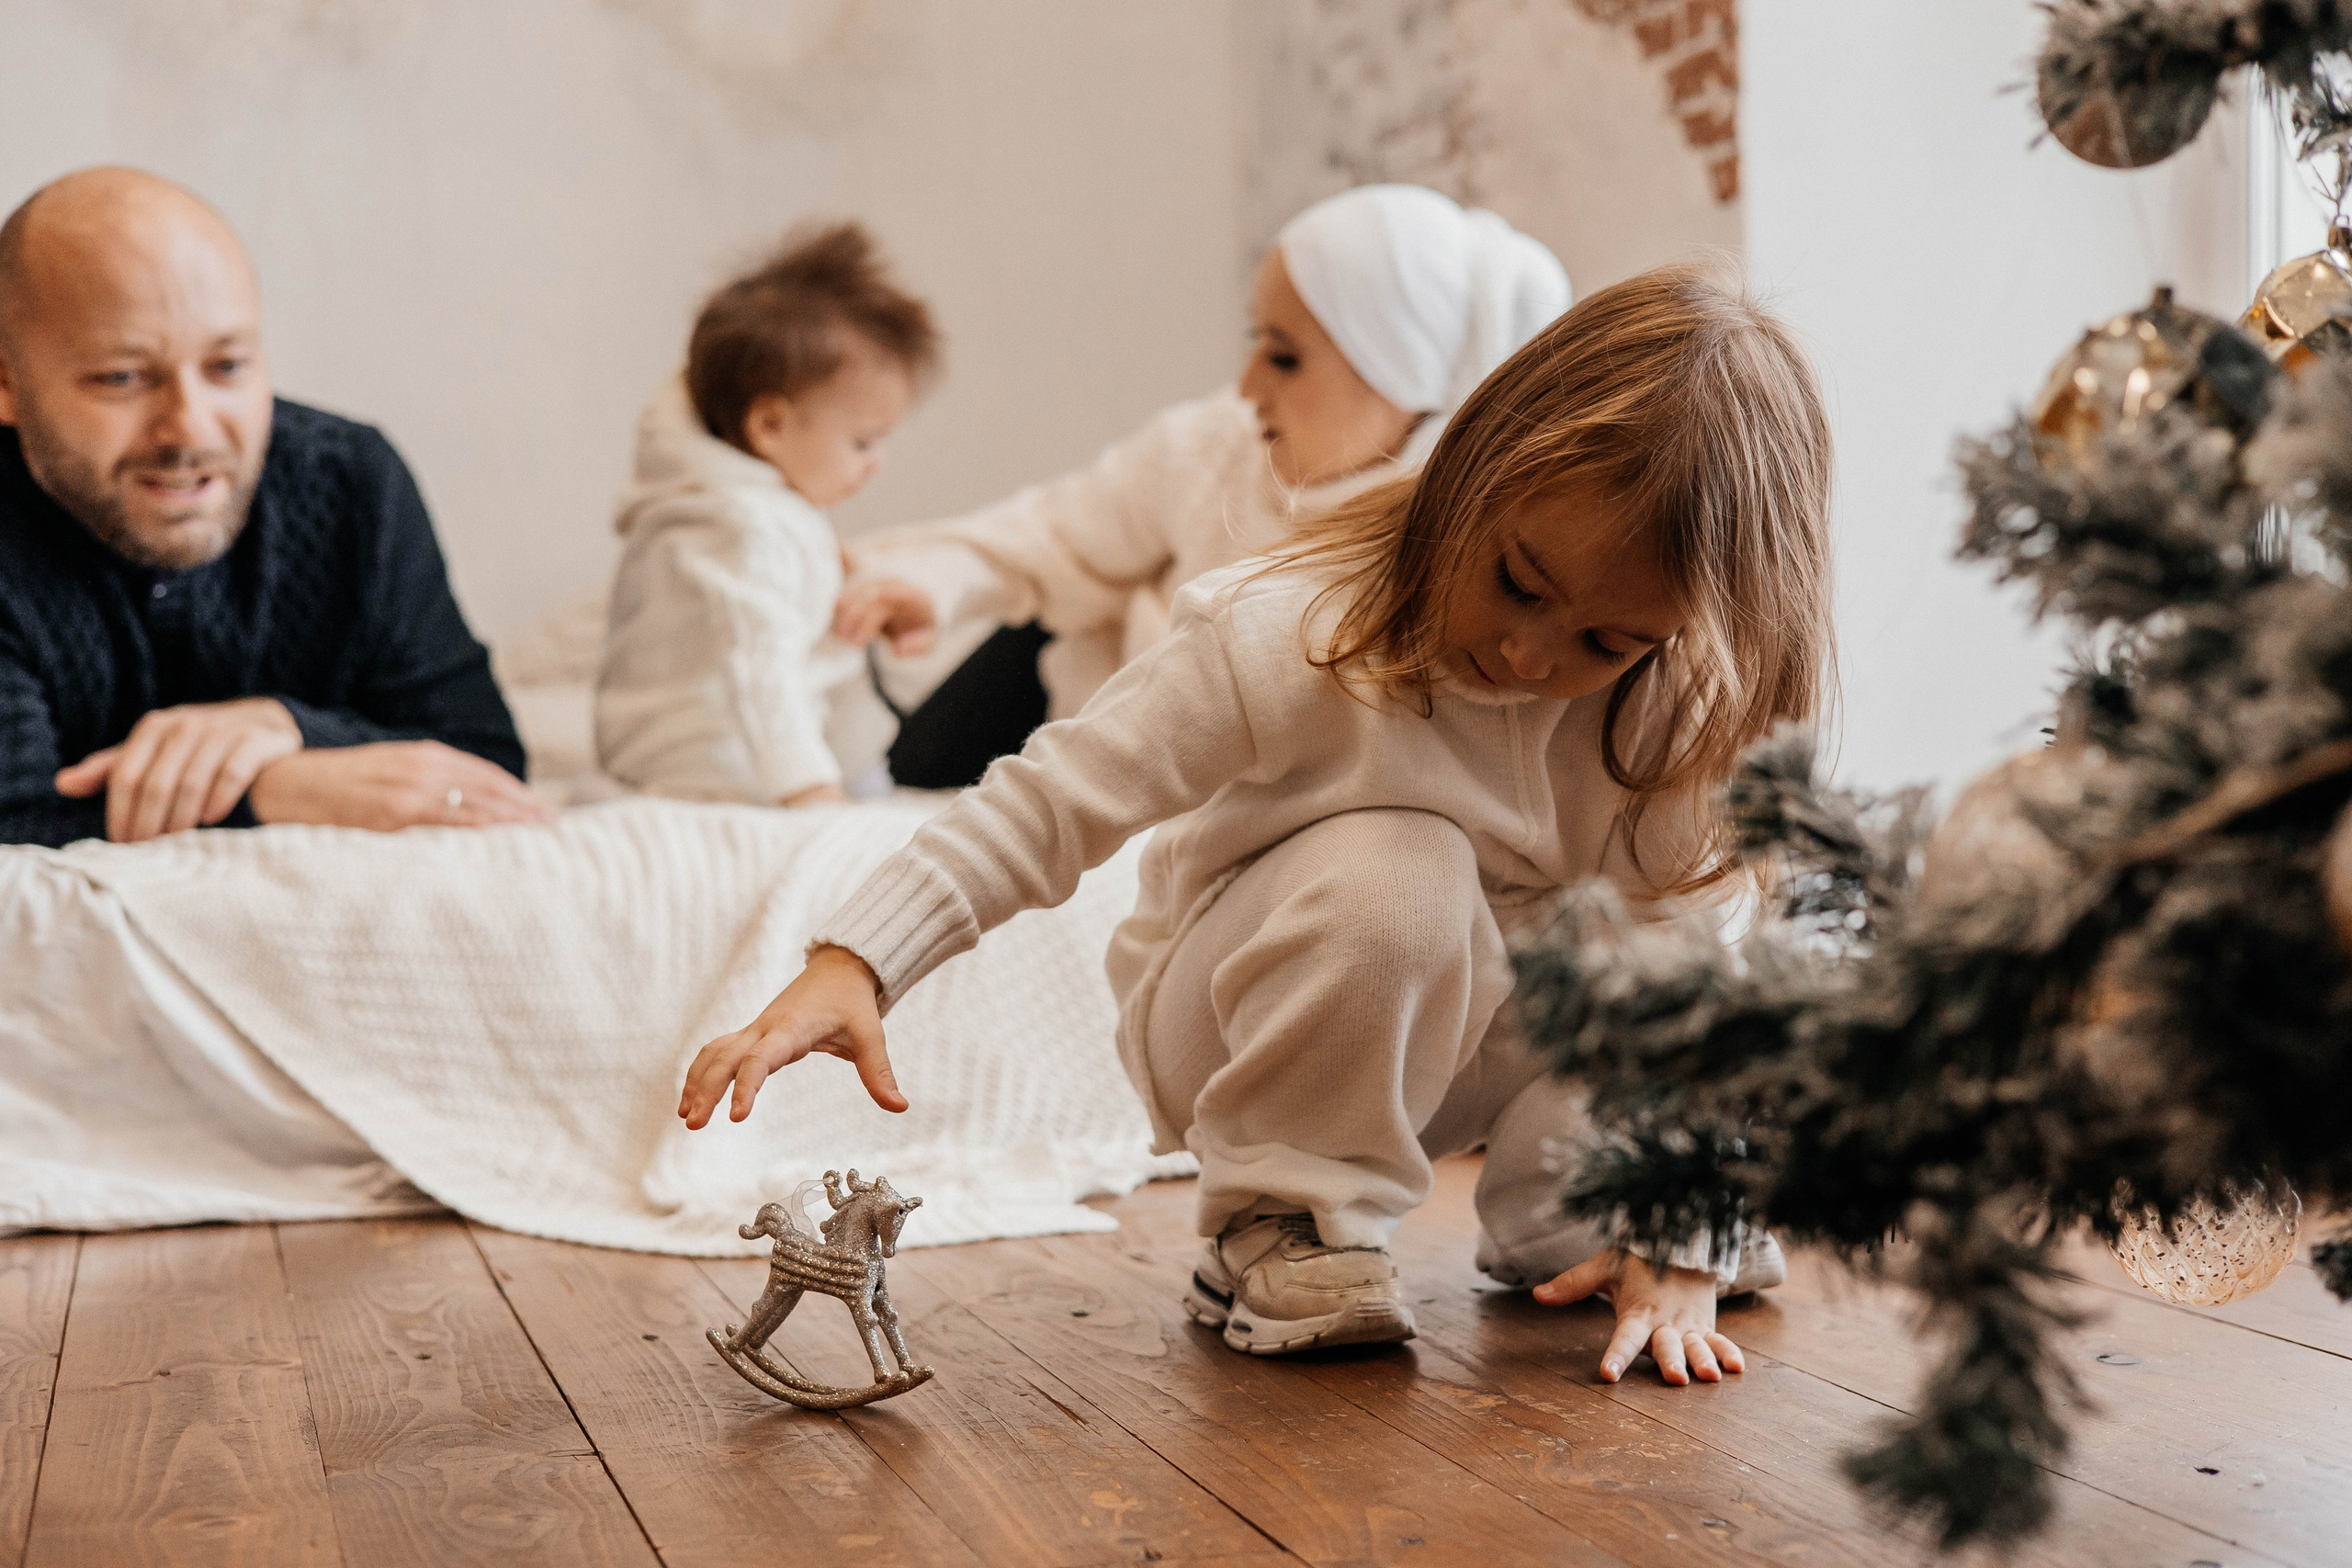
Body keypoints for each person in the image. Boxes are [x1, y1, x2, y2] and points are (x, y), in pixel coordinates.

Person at [677, 265, 1838, 1385]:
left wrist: (1687, 1224)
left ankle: (1575, 1219)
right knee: (1404, 866)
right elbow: (1049, 801)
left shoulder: (1685, 709)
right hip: (1249, 1023)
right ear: (1468, 475)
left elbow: (1701, 979)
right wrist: (856, 962)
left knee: (1643, 953)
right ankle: (1283, 1219)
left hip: (1485, 1030)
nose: (1534, 657)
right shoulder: (1290, 628)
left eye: (1607, 642)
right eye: (1520, 584)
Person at [837, 183, 1571, 787]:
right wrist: (933, 581)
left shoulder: (1445, 546)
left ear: (1402, 380)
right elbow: (1059, 531)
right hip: (1074, 728)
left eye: (1284, 359)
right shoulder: (1217, 440)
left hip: (1204, 804)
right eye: (1256, 344)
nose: (1248, 386)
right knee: (1042, 619)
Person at [0, 166, 538, 850]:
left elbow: (484, 771)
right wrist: (274, 789)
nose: (191, 428)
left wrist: (285, 729)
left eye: (227, 367)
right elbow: (14, 824)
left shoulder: (350, 484)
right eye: (123, 378)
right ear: (6, 384)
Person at [595, 223, 937, 806]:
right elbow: (761, 673)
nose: (876, 464)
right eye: (862, 442)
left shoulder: (767, 507)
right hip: (712, 764)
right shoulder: (738, 528)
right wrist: (811, 795)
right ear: (770, 426)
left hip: (796, 739)